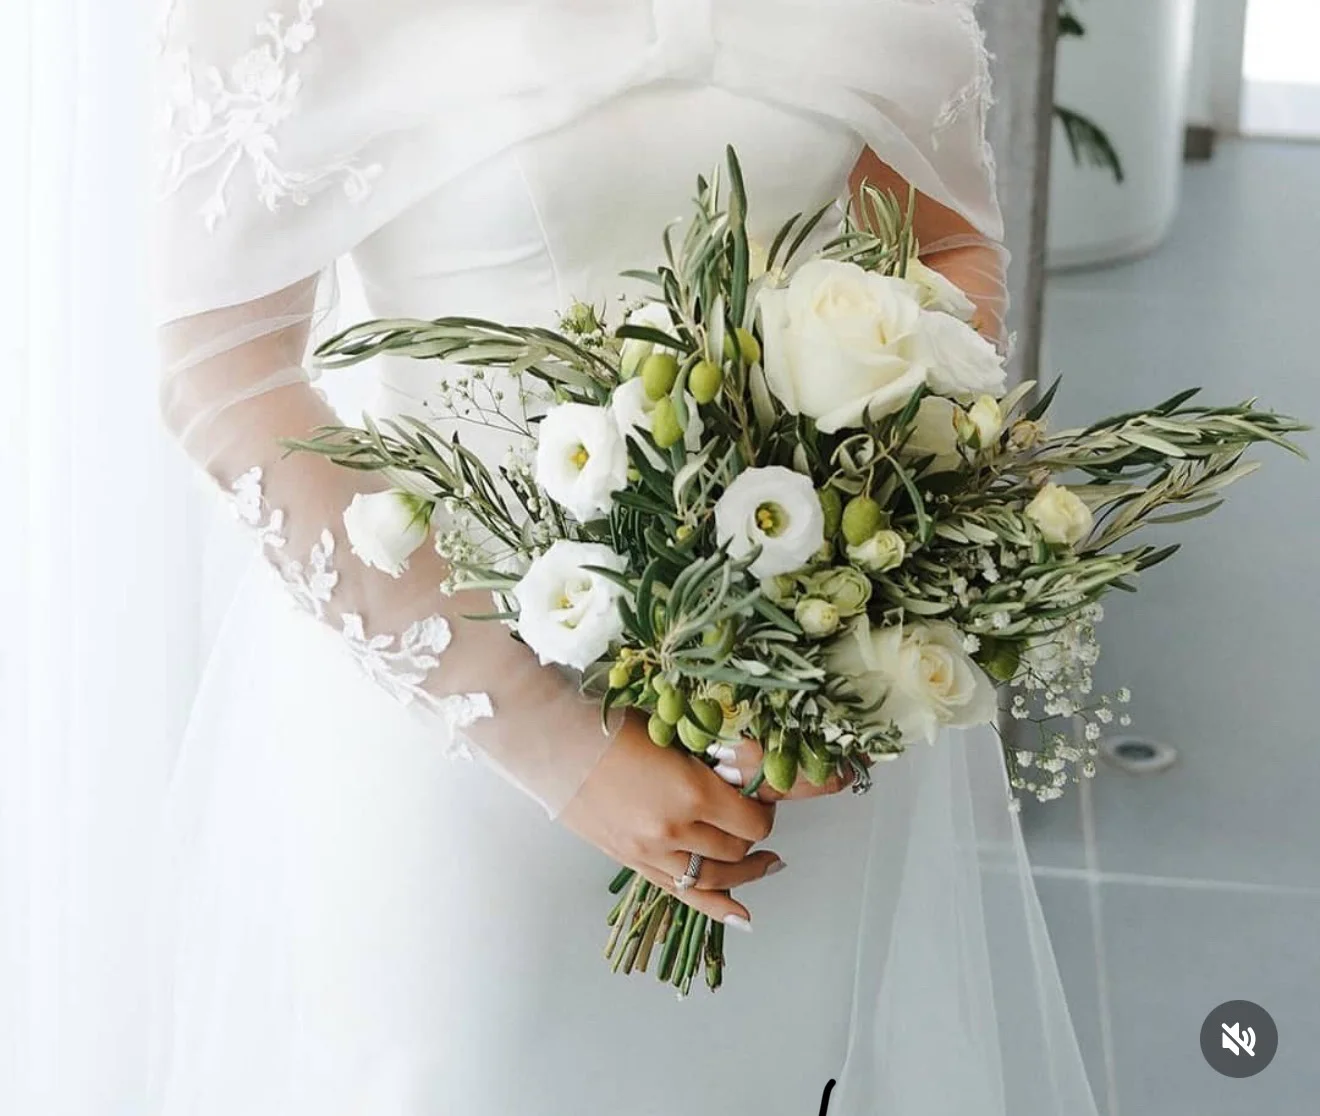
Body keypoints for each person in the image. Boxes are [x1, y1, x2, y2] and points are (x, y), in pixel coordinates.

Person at [151, 2, 1100, 1113]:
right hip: (465, 746)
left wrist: (832, 606)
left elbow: (940, 248)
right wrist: (560, 746)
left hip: (776, 741)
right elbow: (219, 370)